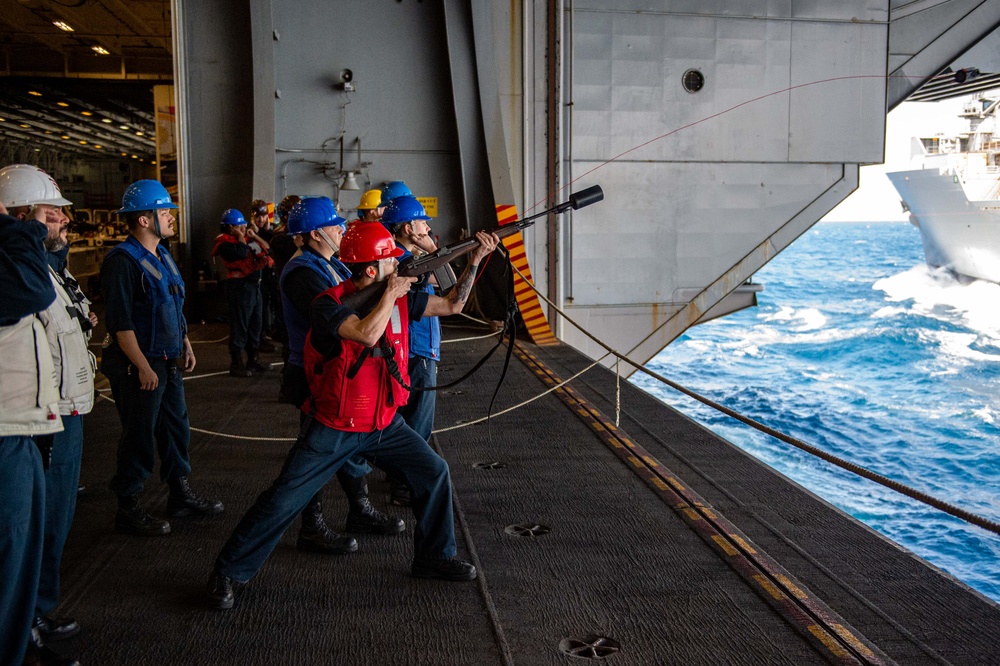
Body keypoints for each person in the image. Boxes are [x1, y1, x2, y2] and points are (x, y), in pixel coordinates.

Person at [205, 222, 499, 610]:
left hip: (383, 424)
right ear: (373, 271)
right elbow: (364, 334)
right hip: (335, 426)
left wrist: (475, 260)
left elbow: (452, 305)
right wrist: (390, 295)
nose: (401, 266)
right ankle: (227, 572)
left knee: (434, 471)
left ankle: (433, 557)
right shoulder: (328, 303)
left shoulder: (396, 297)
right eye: (392, 262)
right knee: (284, 499)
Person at [0, 165, 96, 656]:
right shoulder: (19, 270)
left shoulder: (48, 269)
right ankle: (26, 622)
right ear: (16, 218)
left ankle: (33, 617)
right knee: (21, 542)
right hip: (28, 424)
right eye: (47, 213)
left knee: (48, 526)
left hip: (53, 413)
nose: (60, 221)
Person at [279, 197, 402, 555]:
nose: (341, 230)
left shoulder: (327, 264)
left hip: (338, 369)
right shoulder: (304, 271)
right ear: (315, 234)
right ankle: (311, 526)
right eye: (335, 226)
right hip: (312, 371)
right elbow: (336, 316)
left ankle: (359, 509)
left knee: (346, 445)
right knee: (314, 453)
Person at [100, 179, 223, 537]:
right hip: (140, 362)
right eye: (165, 212)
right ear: (143, 219)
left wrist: (185, 341)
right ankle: (128, 504)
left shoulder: (163, 255)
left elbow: (172, 303)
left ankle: (179, 494)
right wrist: (141, 366)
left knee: (175, 428)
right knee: (139, 435)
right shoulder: (122, 263)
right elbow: (120, 323)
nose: (171, 218)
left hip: (167, 357)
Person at [210, 208, 274, 377]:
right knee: (240, 326)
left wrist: (253, 236)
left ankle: (254, 359)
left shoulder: (247, 240)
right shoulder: (225, 245)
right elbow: (240, 252)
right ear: (231, 228)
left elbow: (267, 250)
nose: (245, 229)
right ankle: (236, 363)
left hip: (255, 287)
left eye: (244, 225)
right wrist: (240, 237)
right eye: (241, 226)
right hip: (239, 288)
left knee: (255, 324)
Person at [250, 199, 279, 352]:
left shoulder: (270, 232)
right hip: (257, 275)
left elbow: (271, 248)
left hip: (269, 275)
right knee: (260, 308)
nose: (261, 219)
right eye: (257, 217)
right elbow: (267, 249)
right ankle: (259, 338)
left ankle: (266, 334)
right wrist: (254, 236)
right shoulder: (250, 233)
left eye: (263, 216)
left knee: (270, 305)